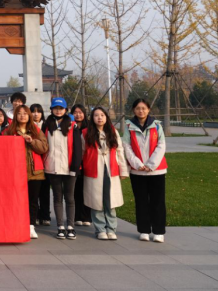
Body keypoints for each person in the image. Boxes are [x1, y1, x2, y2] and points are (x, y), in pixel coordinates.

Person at [122, 98, 167, 243]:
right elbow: (126, 146)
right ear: (133, 110)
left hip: (156, 170)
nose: (141, 111)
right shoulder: (129, 126)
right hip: (138, 171)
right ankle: (144, 230)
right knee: (141, 201)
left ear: (148, 110)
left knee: (157, 201)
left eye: (143, 108)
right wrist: (138, 164)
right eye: (138, 108)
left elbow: (161, 145)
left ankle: (159, 232)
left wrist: (151, 164)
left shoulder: (157, 125)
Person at [84, 107, 129, 240]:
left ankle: (111, 228)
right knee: (96, 201)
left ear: (106, 117)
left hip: (110, 169)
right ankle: (100, 229)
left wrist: (123, 170)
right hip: (94, 169)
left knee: (110, 200)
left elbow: (120, 150)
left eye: (102, 115)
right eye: (96, 115)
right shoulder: (86, 133)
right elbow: (82, 152)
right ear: (92, 118)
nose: (99, 118)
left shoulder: (112, 131)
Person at [5, 105, 48, 239]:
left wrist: (32, 141)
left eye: (25, 113)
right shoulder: (9, 131)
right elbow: (2, 149)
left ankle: (31, 226)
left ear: (29, 116)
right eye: (19, 113)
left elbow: (44, 147)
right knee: (16, 200)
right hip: (16, 172)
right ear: (15, 116)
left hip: (35, 171)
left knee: (33, 201)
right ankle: (17, 225)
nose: (22, 116)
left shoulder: (36, 130)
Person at [42, 98, 82, 240]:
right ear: (52, 109)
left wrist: (75, 167)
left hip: (69, 167)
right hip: (52, 167)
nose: (58, 110)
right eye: (55, 108)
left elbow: (78, 148)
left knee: (70, 198)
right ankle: (60, 227)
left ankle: (70, 227)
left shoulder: (72, 125)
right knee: (57, 198)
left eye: (61, 108)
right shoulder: (47, 125)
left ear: (65, 110)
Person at [71, 104, 93, 227]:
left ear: (84, 113)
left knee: (87, 190)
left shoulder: (89, 127)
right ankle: (77, 216)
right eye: (75, 112)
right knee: (75, 190)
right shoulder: (70, 126)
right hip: (74, 163)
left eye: (80, 112)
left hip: (87, 162)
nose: (78, 115)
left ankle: (86, 216)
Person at [31, 104, 52, 226]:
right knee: (35, 192)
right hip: (34, 162)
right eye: (33, 111)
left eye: (38, 111)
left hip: (46, 161)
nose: (36, 114)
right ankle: (37, 215)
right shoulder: (28, 127)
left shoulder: (47, 126)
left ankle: (45, 215)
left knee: (45, 190)